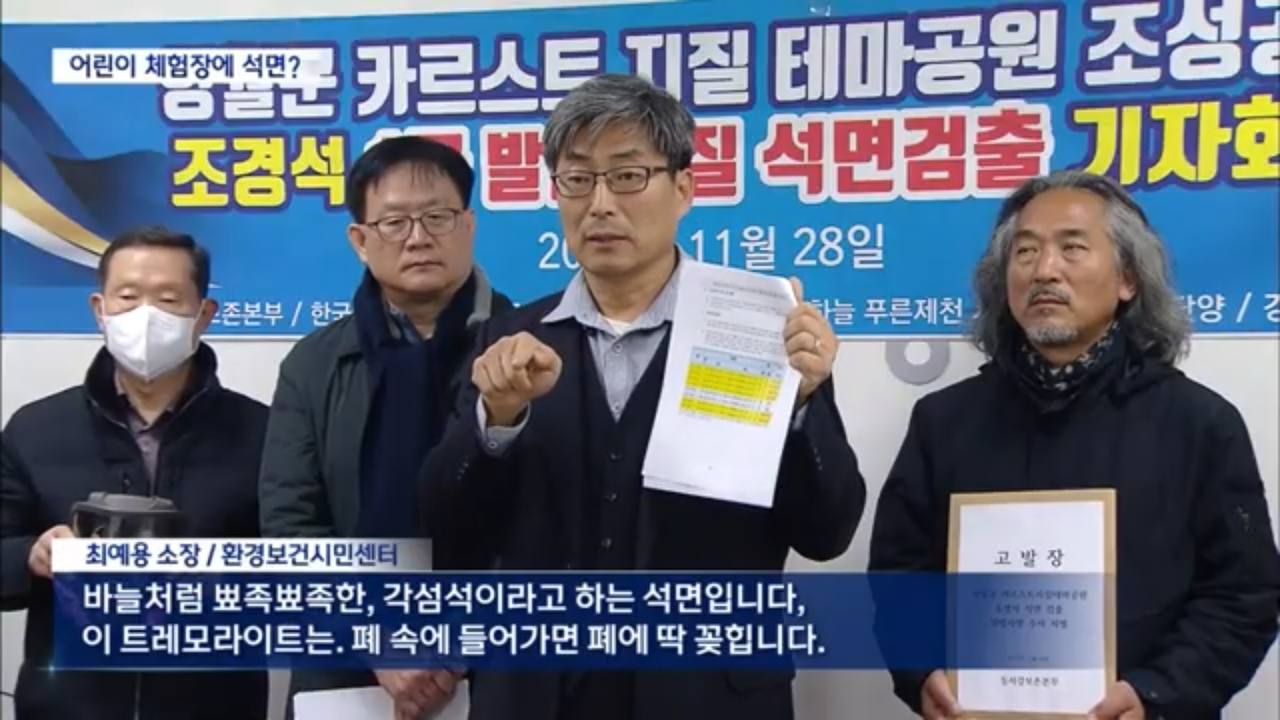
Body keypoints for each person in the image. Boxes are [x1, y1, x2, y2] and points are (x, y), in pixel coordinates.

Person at [420, 73, 866, 720]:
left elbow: (828, 532)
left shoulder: (760, 331)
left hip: (709, 697)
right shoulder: (509, 340)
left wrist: (800, 406)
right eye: (578, 179)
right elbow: (448, 524)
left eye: (628, 176)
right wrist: (497, 421)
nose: (600, 204)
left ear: (683, 188)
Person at [869, 170, 1280, 720]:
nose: (1044, 270)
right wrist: (922, 670)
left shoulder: (1199, 423)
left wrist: (1156, 693)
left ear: (1127, 279)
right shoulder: (943, 421)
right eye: (1025, 252)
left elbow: (1244, 594)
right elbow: (899, 574)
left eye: (1072, 248)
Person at [258, 135, 513, 719]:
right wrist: (376, 636)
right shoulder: (314, 364)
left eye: (437, 217)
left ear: (468, 224)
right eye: (395, 222)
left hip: (499, 664)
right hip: (344, 666)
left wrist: (460, 640)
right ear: (360, 239)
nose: (418, 238)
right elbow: (292, 524)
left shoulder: (530, 347)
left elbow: (551, 519)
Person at [0, 227, 268, 719]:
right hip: (66, 706)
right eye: (127, 297)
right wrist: (32, 555)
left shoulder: (263, 432)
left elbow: (297, 564)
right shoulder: (35, 429)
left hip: (212, 704)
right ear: (99, 309)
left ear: (203, 314)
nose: (146, 316)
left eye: (168, 300)